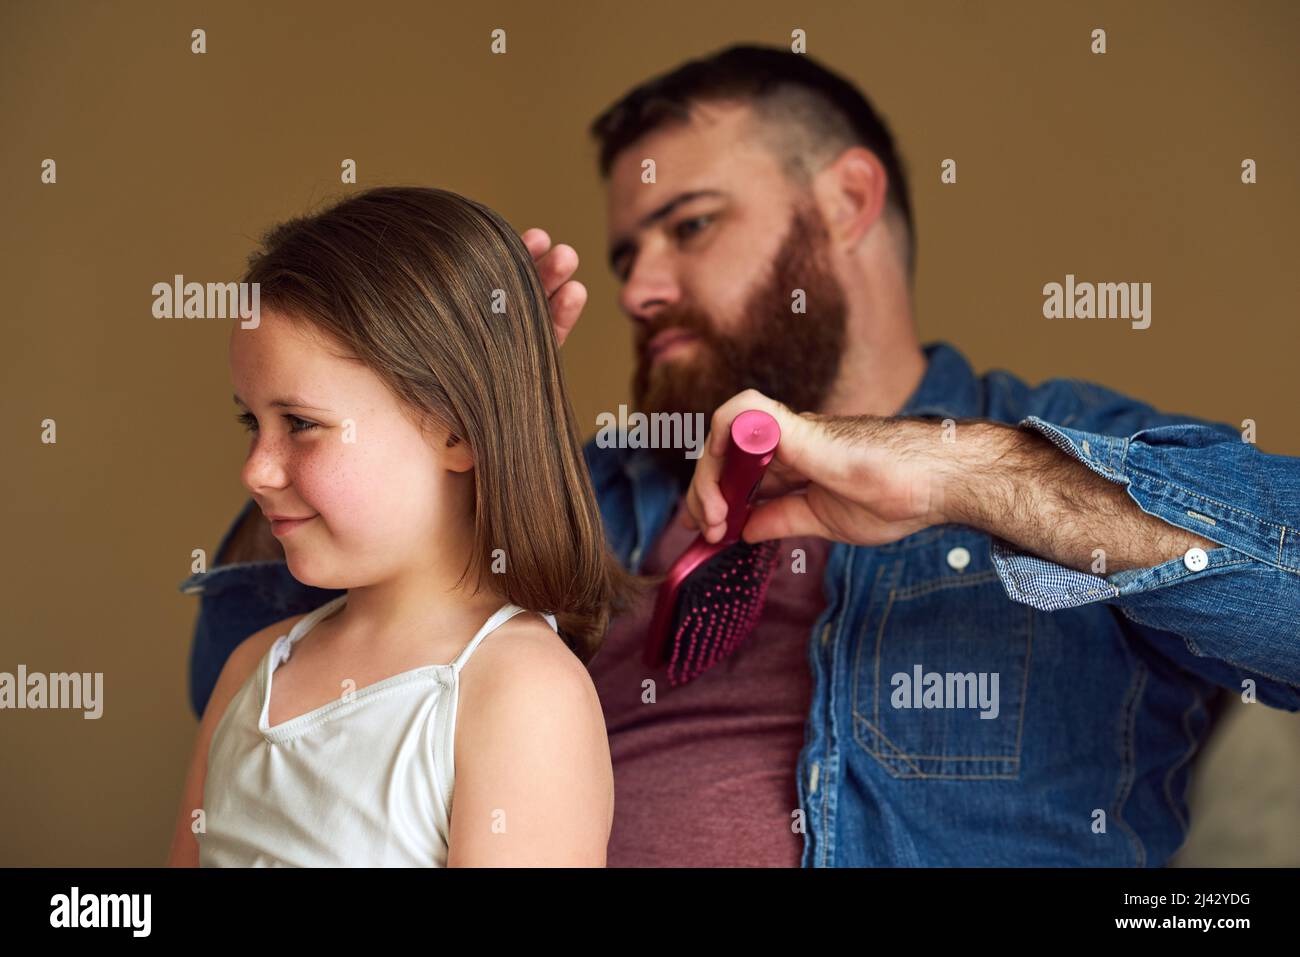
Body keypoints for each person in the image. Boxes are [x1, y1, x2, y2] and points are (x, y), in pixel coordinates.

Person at [181, 45, 1300, 866]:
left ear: (848, 201)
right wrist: (413, 401)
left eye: (691, 226)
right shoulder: (588, 497)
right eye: (626, 251)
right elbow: (244, 686)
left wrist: (965, 475)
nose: (639, 288)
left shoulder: (1055, 458)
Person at [167, 186, 640, 867]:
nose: (256, 470)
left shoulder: (522, 696)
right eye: (253, 422)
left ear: (457, 428)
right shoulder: (251, 669)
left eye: (300, 423)